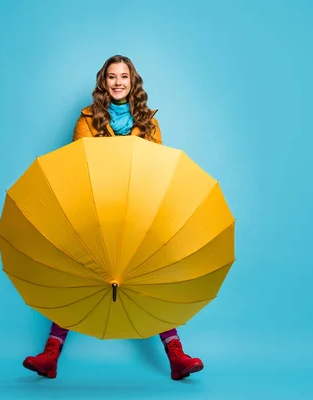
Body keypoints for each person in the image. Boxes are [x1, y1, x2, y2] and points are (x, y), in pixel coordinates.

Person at [22, 55, 204, 381]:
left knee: (153, 278)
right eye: (111, 77)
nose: (118, 82)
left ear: (133, 82)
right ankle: (50, 356)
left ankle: (176, 357)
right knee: (76, 275)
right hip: (95, 211)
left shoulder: (149, 121)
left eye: (124, 76)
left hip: (138, 213)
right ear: (103, 82)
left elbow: (156, 170)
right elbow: (80, 165)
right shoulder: (87, 119)